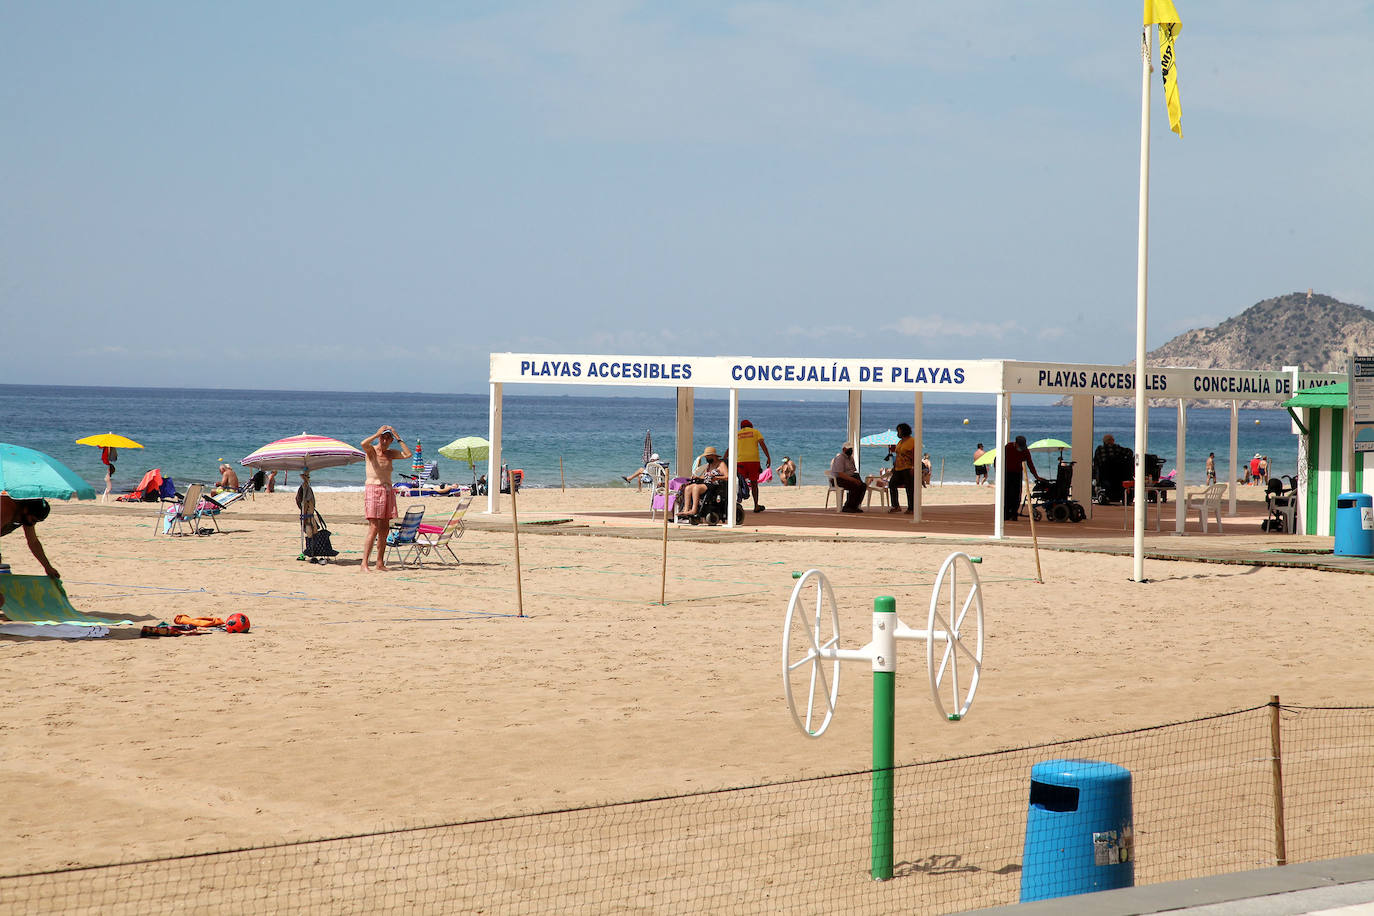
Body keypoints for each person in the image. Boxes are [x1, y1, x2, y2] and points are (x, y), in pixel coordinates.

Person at [359, 425, 413, 572]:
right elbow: (363, 444)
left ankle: (380, 563)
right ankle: (364, 563)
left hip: (388, 490)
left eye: (388, 438)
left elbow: (408, 454)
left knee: (384, 528)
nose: (385, 440)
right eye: (383, 437)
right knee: (374, 527)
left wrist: (398, 437)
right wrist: (376, 434)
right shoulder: (371, 451)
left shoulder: (390, 453)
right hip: (373, 490)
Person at [0, 495, 60, 580]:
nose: (33, 524)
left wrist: (47, 567)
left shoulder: (27, 515)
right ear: (26, 510)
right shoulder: (6, 509)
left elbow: (33, 542)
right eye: (34, 520)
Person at [1001, 435, 1042, 521]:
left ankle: (1014, 513)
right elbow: (998, 458)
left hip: (1017, 473)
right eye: (1020, 446)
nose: (1021, 449)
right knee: (1007, 494)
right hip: (1006, 473)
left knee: (1017, 495)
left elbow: (1030, 463)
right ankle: (1005, 514)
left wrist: (1036, 476)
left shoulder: (1025, 450)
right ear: (1015, 444)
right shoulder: (1008, 447)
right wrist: (998, 470)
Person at [734, 420, 771, 513]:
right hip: (753, 461)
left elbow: (731, 448)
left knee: (739, 482)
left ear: (741, 427)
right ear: (751, 426)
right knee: (754, 483)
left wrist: (724, 458)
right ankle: (756, 505)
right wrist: (768, 457)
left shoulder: (737, 434)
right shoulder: (755, 432)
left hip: (741, 461)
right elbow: (762, 444)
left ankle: (735, 504)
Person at [679, 447, 726, 519]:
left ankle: (694, 510)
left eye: (708, 456)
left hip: (715, 485)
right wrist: (697, 477)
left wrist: (717, 478)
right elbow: (705, 476)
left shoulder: (721, 464)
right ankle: (686, 510)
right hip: (706, 483)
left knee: (696, 488)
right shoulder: (709, 465)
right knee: (688, 488)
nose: (706, 458)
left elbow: (728, 476)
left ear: (713, 455)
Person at [828, 442, 867, 513]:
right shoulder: (840, 458)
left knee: (863, 486)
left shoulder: (851, 458)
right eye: (849, 449)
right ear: (844, 449)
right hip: (838, 479)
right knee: (854, 485)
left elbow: (853, 470)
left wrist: (856, 479)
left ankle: (854, 506)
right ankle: (847, 506)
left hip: (849, 477)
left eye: (851, 449)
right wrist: (853, 480)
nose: (850, 451)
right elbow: (840, 474)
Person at [887, 423, 916, 513]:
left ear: (904, 431)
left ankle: (911, 508)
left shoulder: (912, 441)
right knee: (892, 484)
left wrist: (913, 467)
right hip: (898, 469)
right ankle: (896, 506)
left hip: (907, 468)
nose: (897, 433)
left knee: (909, 488)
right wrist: (894, 467)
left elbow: (915, 455)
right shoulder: (900, 442)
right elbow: (898, 455)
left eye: (899, 431)